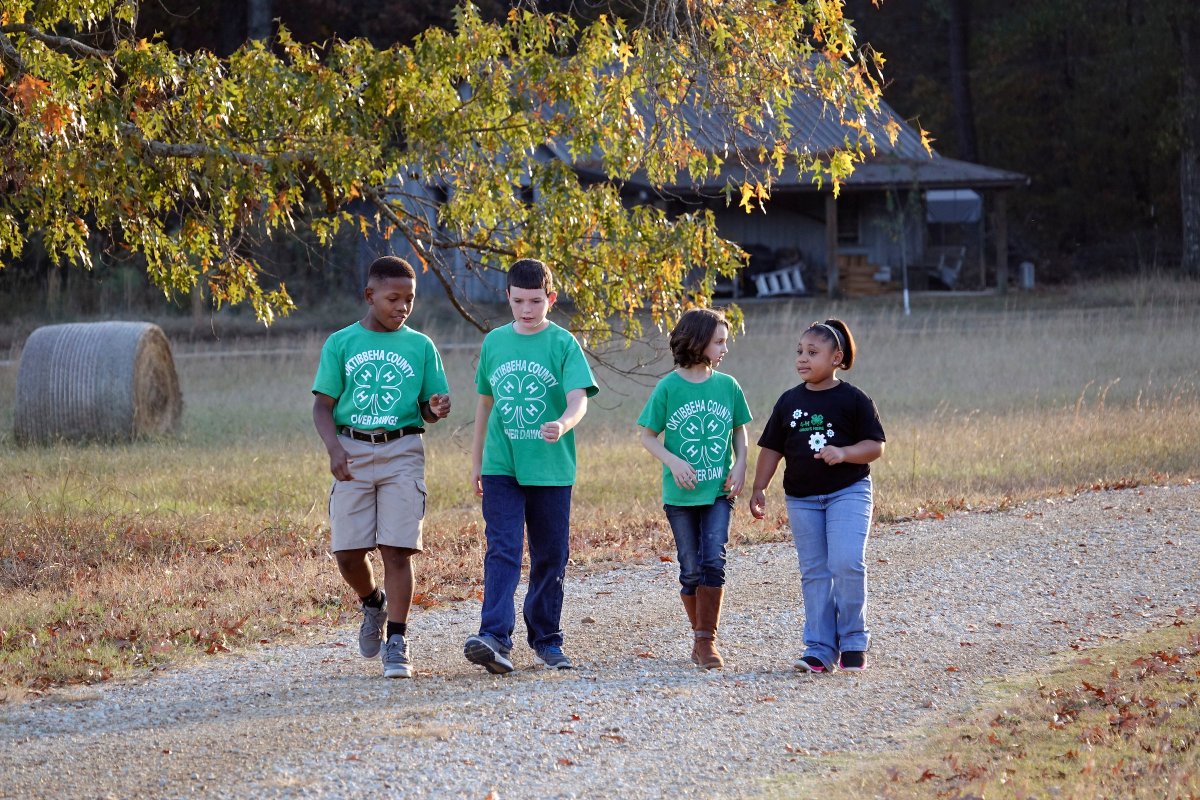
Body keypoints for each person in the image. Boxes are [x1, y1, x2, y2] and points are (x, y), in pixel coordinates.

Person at [312, 255, 451, 679]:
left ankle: (398, 639)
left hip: (403, 450)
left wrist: (435, 408)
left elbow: (428, 407)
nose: (402, 307)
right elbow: (322, 406)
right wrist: (335, 449)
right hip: (352, 449)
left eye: (409, 299)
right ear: (370, 296)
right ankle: (372, 602)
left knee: (397, 549)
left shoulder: (421, 346)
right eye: (393, 298)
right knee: (348, 552)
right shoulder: (341, 343)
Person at [464, 258, 598, 674]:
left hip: (551, 468)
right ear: (507, 297)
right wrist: (477, 462)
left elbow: (580, 397)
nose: (526, 309)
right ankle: (494, 638)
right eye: (519, 300)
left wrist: (563, 422)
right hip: (502, 464)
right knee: (502, 548)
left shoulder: (562, 344)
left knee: (550, 555)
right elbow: (485, 404)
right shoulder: (494, 343)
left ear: (551, 299)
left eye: (535, 301)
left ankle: (547, 639)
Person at [749, 319, 885, 673]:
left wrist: (843, 453)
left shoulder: (854, 399)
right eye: (799, 352)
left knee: (846, 562)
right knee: (815, 572)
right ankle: (820, 649)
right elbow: (770, 449)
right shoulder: (789, 401)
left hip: (848, 492)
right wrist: (759, 488)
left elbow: (875, 446)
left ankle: (854, 641)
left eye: (813, 352)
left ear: (837, 357)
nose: (802, 359)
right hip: (802, 499)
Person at [637, 308, 751, 670]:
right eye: (719, 341)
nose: (724, 349)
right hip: (681, 497)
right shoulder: (668, 387)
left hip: (719, 491)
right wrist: (673, 461)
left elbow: (739, 431)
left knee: (713, 560)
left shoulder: (728, 386)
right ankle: (701, 635)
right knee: (689, 570)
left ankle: (706, 642)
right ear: (698, 341)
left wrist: (741, 464)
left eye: (725, 342)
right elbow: (647, 436)